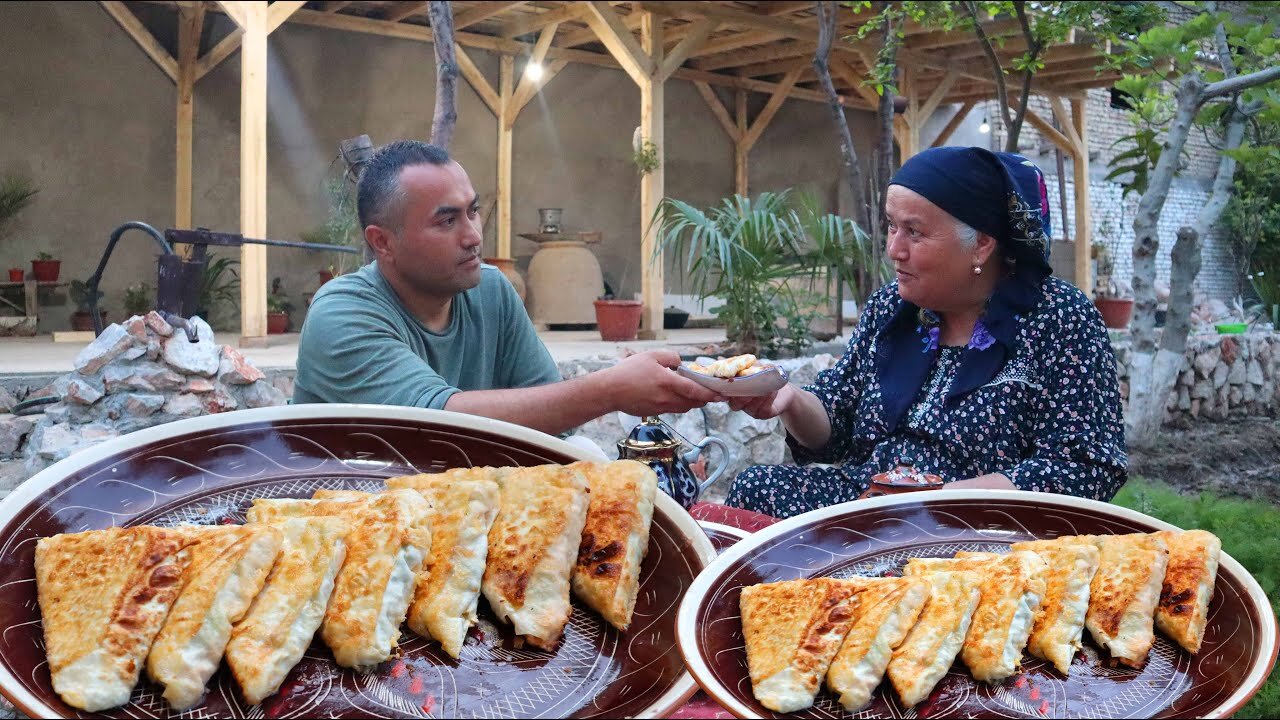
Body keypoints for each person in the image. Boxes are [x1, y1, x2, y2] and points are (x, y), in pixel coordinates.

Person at [724, 146, 1126, 518]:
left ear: (982, 244)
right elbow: (836, 427)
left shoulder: (1059, 317)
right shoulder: (890, 309)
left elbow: (1084, 467)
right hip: (869, 505)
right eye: (891, 227)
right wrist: (790, 398)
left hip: (978, 529)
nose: (893, 249)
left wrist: (931, 502)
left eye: (914, 232)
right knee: (754, 489)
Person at [294, 140, 719, 435]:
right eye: (447, 221)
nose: (474, 235)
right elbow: (438, 423)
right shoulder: (341, 312)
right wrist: (610, 389)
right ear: (382, 242)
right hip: (348, 530)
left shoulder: (491, 291)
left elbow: (554, 412)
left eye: (473, 212)